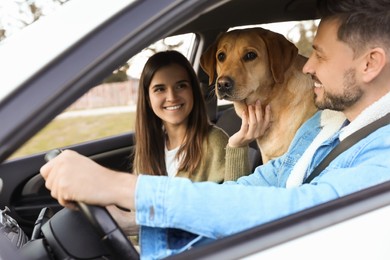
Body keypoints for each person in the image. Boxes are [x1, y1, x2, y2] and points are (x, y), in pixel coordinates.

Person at [40, 0, 390, 259]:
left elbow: (298, 211)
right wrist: (134, 220)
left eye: (320, 55)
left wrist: (122, 186)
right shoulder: (323, 124)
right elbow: (258, 185)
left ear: (370, 63)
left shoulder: (383, 151)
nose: (308, 65)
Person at [131, 50, 268, 181]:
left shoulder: (214, 142)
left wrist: (237, 147)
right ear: (148, 98)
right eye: (160, 89)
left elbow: (232, 200)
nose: (172, 97)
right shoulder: (149, 146)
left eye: (181, 86)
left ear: (193, 91)